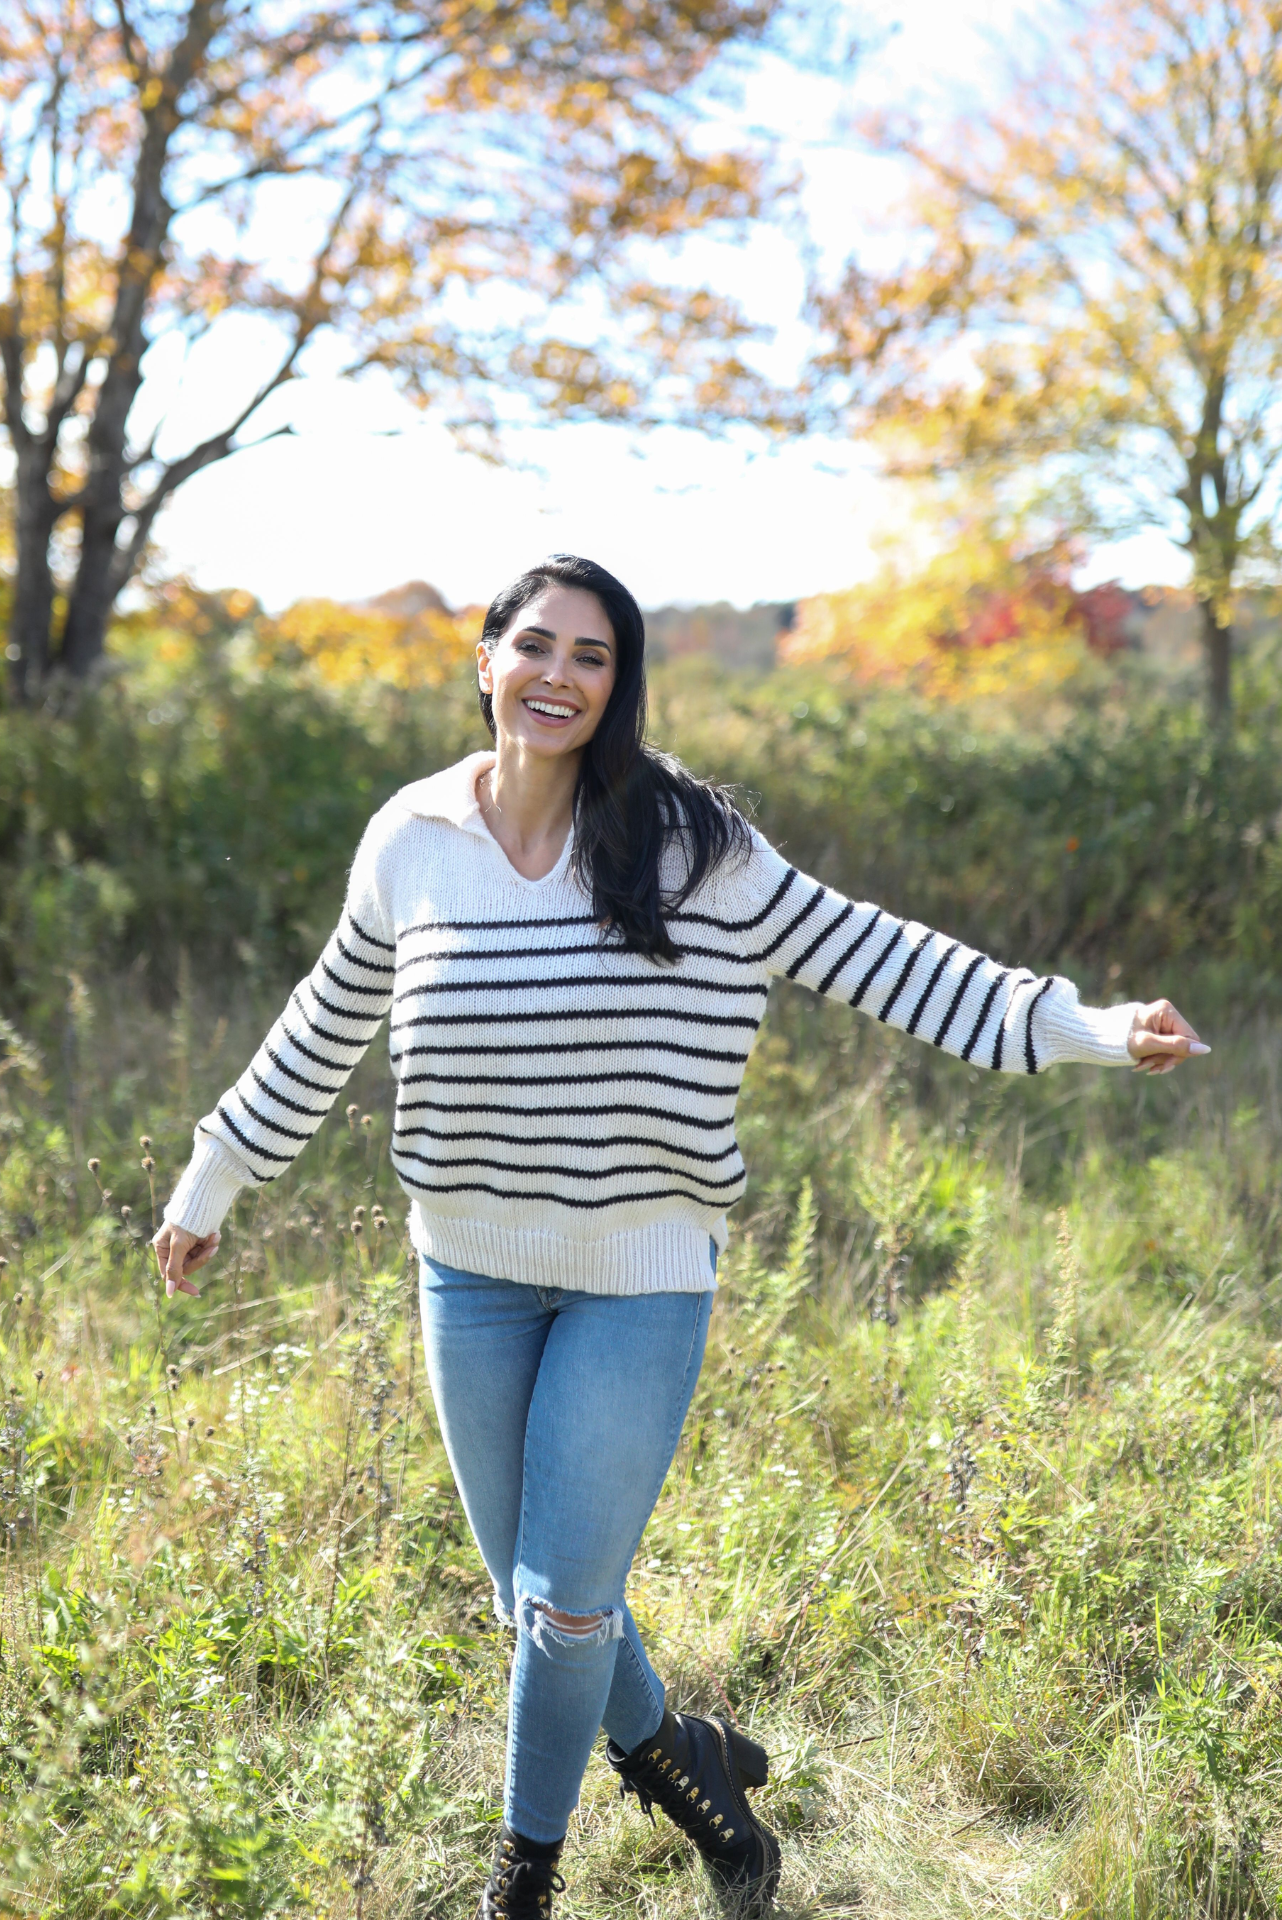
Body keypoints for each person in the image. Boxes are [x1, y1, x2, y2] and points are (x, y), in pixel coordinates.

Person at [153, 554, 1206, 1918]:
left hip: (635, 1280)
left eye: (592, 657)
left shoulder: (692, 844)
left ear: (619, 684)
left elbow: (884, 958)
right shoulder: (409, 837)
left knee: (567, 1613)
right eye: (534, 646)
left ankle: (517, 1888)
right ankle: (700, 1781)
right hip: (464, 1274)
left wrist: (1095, 1029)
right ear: (484, 661)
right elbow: (324, 1019)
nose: (557, 676)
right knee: (540, 1597)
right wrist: (212, 1178)